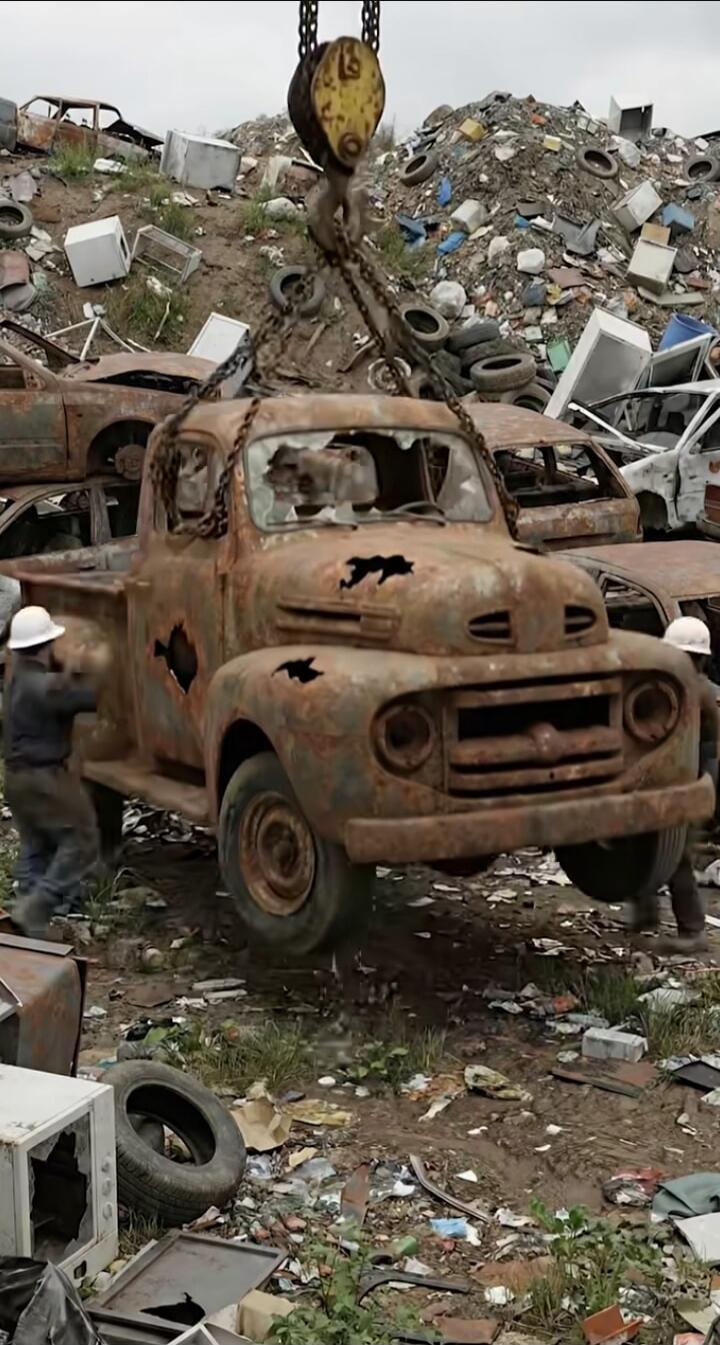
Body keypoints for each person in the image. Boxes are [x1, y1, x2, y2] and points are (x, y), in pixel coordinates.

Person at [3, 605, 101, 937]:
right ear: (47, 646)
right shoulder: (45, 687)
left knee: (36, 844)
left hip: (15, 778)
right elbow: (90, 696)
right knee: (82, 838)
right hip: (42, 778)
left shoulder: (16, 680)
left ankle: (23, 920)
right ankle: (38, 907)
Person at [631, 615, 720, 952]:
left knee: (674, 858)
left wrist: (704, 791)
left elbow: (709, 750)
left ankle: (692, 931)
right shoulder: (695, 691)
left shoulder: (687, 692)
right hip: (679, 786)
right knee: (653, 852)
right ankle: (646, 918)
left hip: (683, 788)